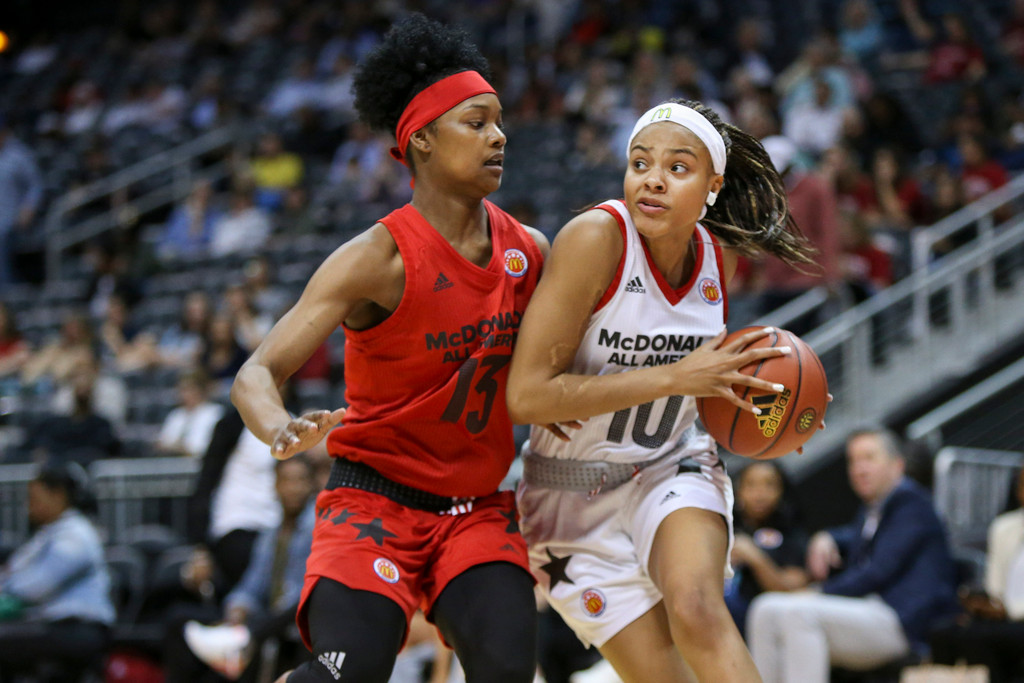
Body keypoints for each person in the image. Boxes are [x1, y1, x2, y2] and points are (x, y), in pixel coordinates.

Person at [230, 14, 548, 683]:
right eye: (477, 122)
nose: (499, 135)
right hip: (375, 501)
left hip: (475, 508)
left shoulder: (531, 251)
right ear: (422, 140)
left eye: (498, 120)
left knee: (509, 667)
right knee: (350, 671)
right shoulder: (374, 258)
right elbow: (257, 371)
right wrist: (279, 427)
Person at [506, 98, 816, 682]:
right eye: (640, 162)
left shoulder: (714, 259)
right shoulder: (596, 238)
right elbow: (526, 397)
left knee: (699, 611)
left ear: (712, 185)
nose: (652, 178)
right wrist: (678, 377)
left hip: (669, 464)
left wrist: (778, 413)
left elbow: (701, 382)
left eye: (678, 167)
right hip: (567, 496)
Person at [746, 427, 960, 683]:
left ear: (897, 465)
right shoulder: (875, 507)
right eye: (853, 461)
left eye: (869, 458)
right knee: (764, 608)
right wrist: (828, 536)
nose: (859, 469)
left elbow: (876, 572)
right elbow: (862, 534)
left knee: (799, 614)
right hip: (870, 611)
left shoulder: (913, 505)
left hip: (904, 622)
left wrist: (819, 592)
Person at [165, 455, 318, 682]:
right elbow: (252, 583)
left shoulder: (319, 528)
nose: (293, 488)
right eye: (287, 480)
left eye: (300, 480)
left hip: (296, 620)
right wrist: (238, 607)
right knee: (178, 619)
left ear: (312, 484)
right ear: (275, 485)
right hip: (263, 619)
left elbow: (307, 591)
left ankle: (237, 643)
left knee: (285, 613)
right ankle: (233, 644)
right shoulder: (269, 535)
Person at [0, 463, 115, 678]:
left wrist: (6, 593)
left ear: (58, 495)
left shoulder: (78, 533)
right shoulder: (46, 534)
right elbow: (10, 573)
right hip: (49, 627)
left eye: (34, 498)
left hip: (80, 629)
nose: (28, 506)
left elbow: (37, 586)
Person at [929, 466, 1024, 683]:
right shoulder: (1003, 528)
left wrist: (1009, 609)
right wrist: (981, 606)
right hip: (1004, 617)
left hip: (1014, 618)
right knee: (943, 632)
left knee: (980, 638)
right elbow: (995, 588)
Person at [724, 461, 810, 638]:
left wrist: (755, 557)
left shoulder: (792, 534)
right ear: (739, 491)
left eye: (769, 484)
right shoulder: (725, 526)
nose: (760, 494)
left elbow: (794, 590)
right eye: (751, 484)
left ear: (781, 490)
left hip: (764, 626)